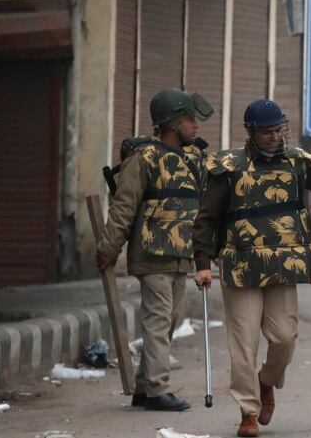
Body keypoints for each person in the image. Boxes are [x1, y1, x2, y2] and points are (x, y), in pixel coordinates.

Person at [192, 99, 311, 437]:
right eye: (267, 131)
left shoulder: (297, 160)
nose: (274, 136)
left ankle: (267, 381)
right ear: (251, 132)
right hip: (240, 266)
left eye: (278, 130)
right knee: (244, 344)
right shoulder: (228, 165)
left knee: (284, 338)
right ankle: (248, 412)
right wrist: (203, 264)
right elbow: (206, 218)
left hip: (283, 265)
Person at [96, 88, 214, 411]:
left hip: (180, 256)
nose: (196, 125)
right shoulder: (143, 159)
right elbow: (124, 206)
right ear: (173, 124)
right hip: (152, 254)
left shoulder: (194, 157)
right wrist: (109, 247)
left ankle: (144, 386)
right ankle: (158, 390)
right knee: (159, 319)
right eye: (191, 119)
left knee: (169, 320)